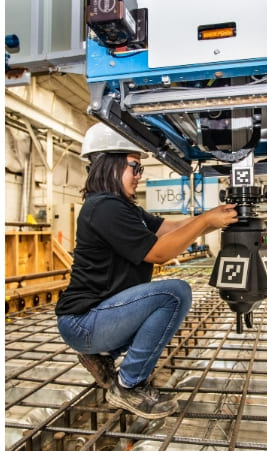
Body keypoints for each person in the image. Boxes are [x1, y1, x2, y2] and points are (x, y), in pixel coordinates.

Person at [55, 123, 238, 420]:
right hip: (83, 323)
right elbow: (160, 252)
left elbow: (167, 228)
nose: (139, 176)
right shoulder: (104, 208)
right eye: (135, 167)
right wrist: (205, 222)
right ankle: (127, 387)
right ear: (111, 164)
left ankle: (101, 356)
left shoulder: (121, 206)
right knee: (174, 294)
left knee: (162, 306)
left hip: (96, 317)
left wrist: (210, 216)